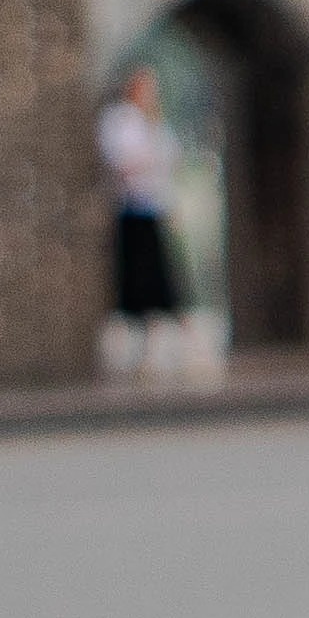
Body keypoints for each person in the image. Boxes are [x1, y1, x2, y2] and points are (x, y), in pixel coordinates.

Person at [96, 68, 210, 384]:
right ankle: (141, 353)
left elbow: (167, 162)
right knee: (139, 284)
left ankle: (181, 349)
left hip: (154, 209)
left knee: (166, 282)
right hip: (133, 213)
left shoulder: (155, 123)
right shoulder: (122, 120)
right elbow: (125, 164)